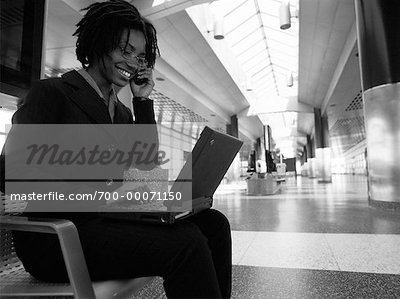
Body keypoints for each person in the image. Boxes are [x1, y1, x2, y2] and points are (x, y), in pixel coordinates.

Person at [1, 1, 232, 298]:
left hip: (107, 224)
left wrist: (143, 103)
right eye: (125, 51)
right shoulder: (53, 93)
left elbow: (145, 169)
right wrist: (101, 194)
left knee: (213, 225)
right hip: (59, 236)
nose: (134, 62)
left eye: (140, 55)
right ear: (99, 43)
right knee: (186, 243)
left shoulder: (122, 113)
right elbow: (11, 173)